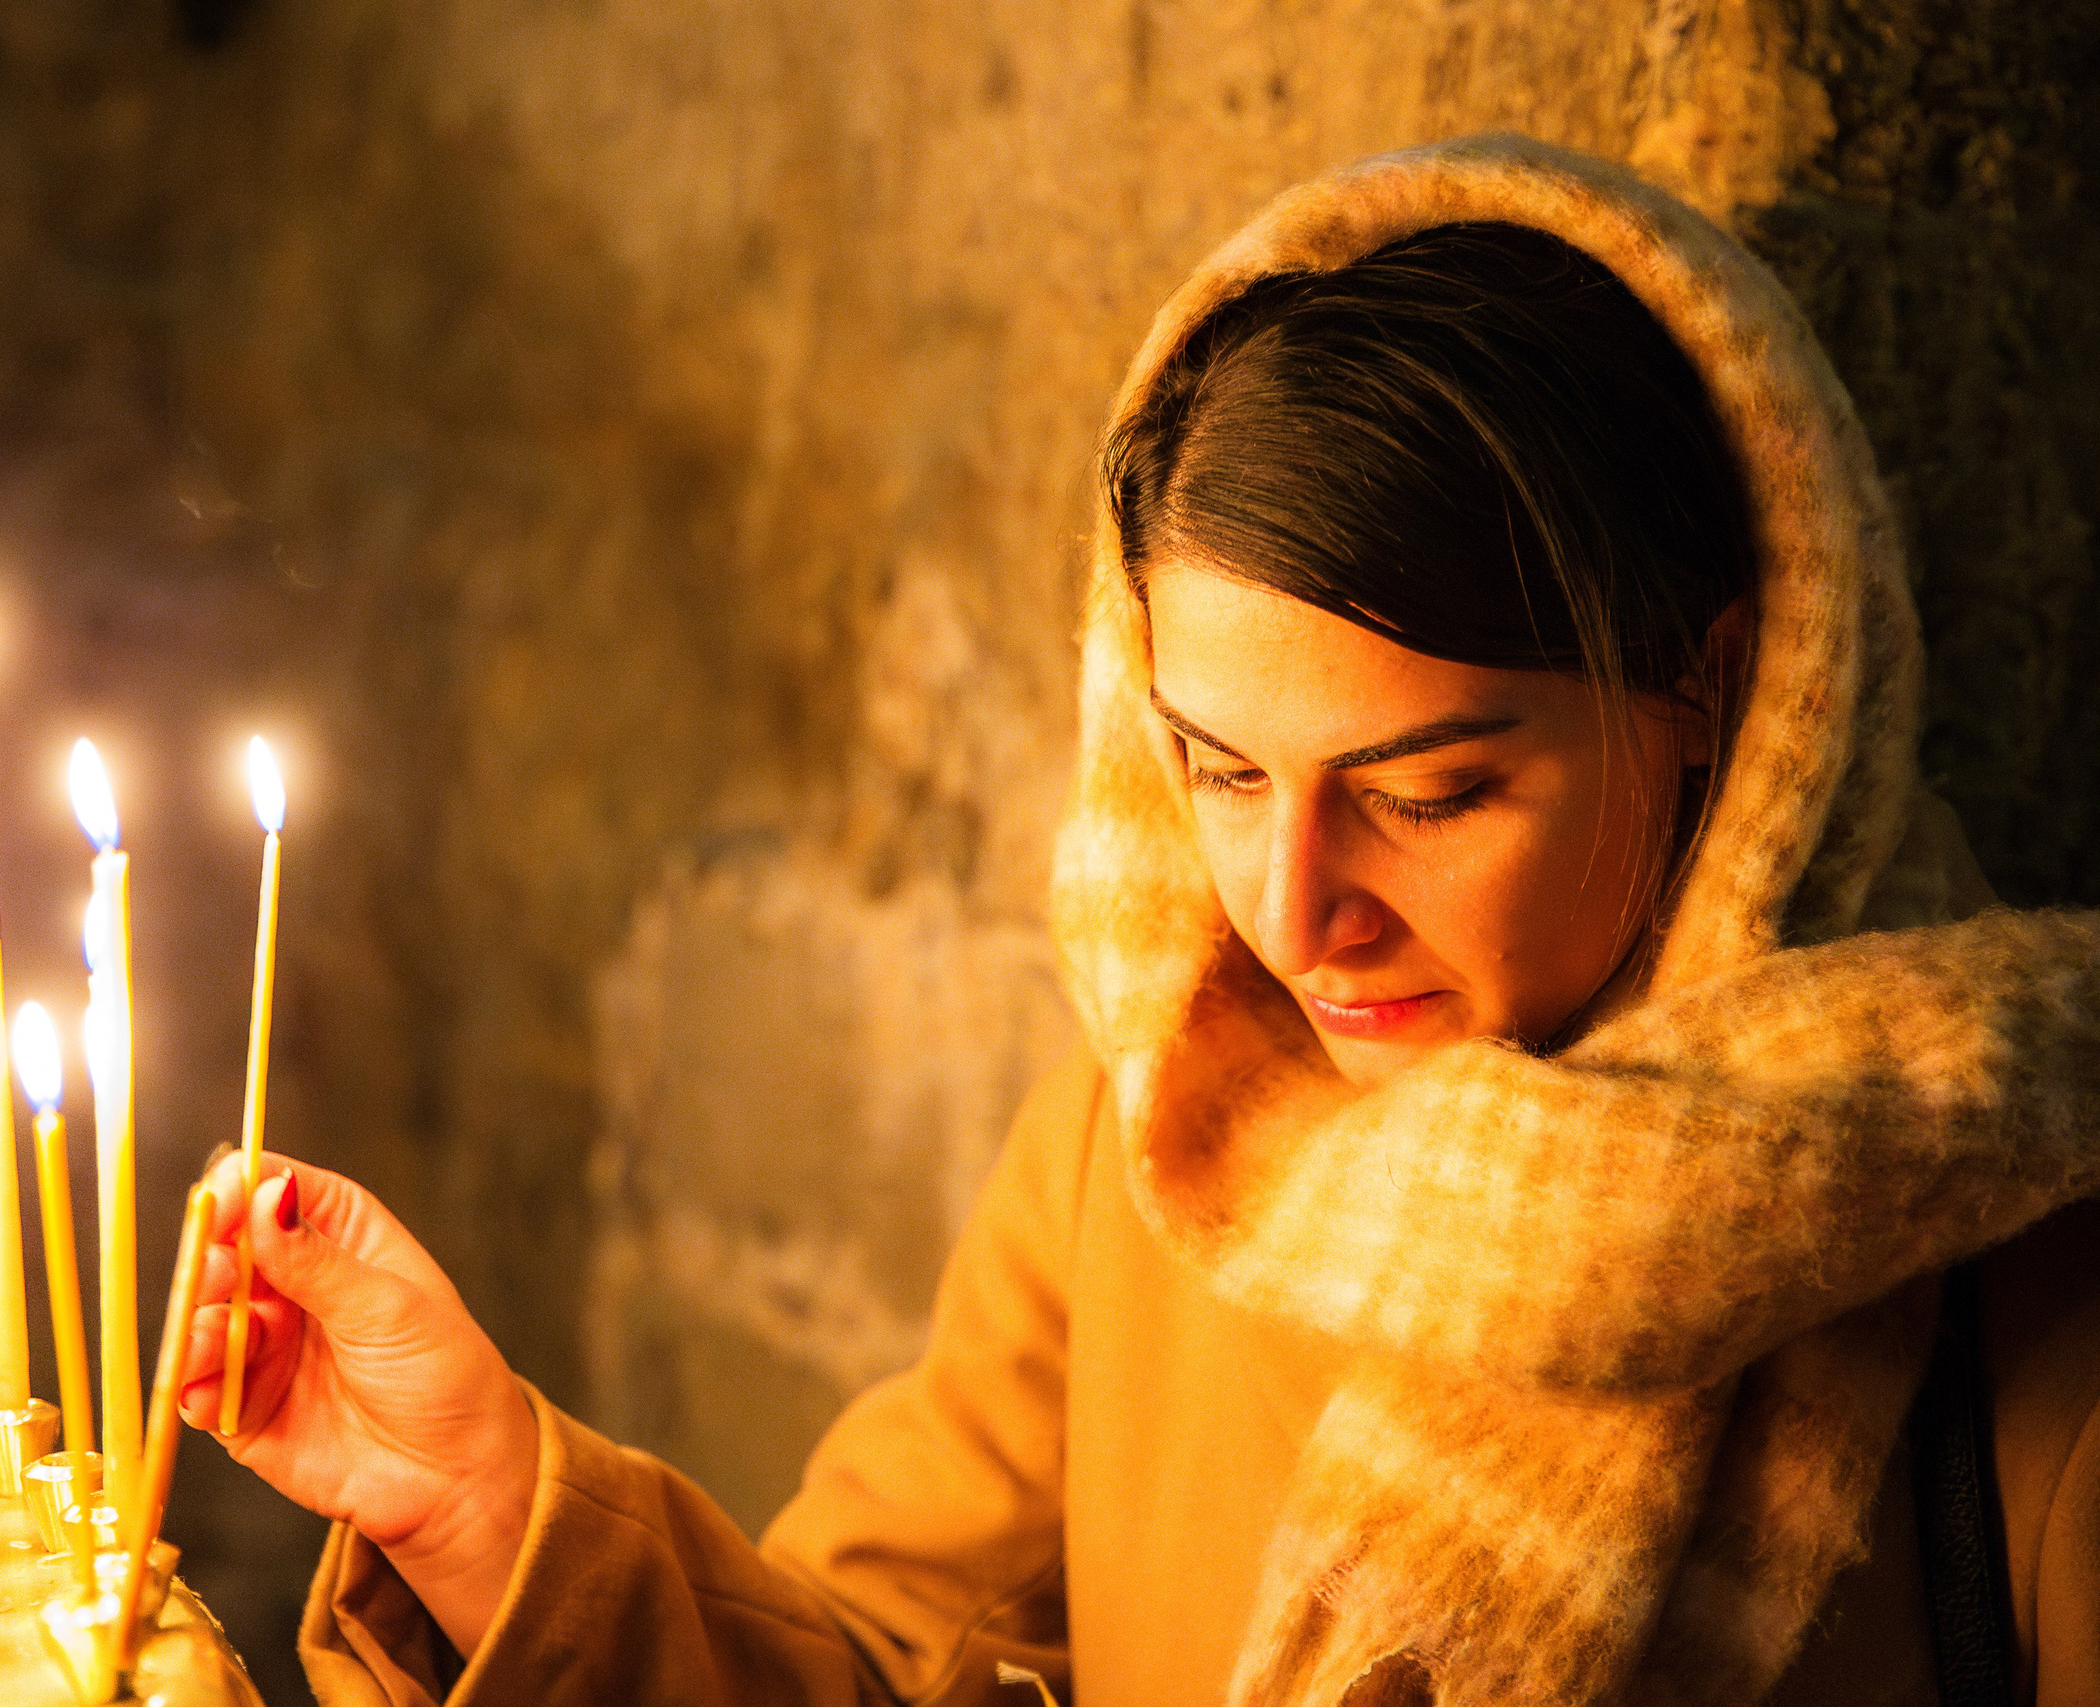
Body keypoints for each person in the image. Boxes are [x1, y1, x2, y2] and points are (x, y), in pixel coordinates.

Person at [174, 136, 2100, 1707]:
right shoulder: (1166, 1139)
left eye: (1429, 793)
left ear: (1721, 705)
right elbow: (870, 1671)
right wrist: (496, 1503)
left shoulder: (2005, 1245)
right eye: (1219, 769)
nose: (1294, 916)